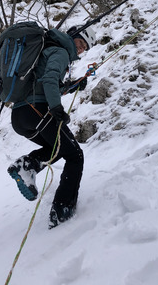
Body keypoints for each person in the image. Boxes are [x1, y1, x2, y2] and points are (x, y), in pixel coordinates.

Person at [7, 25, 96, 228]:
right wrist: (56, 108)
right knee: (75, 155)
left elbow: (47, 81)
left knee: (55, 148)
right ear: (72, 37)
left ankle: (27, 165)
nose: (81, 49)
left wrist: (72, 85)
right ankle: (62, 210)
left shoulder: (49, 50)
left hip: (21, 116)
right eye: (80, 43)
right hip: (38, 110)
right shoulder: (61, 51)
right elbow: (49, 80)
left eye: (85, 47)